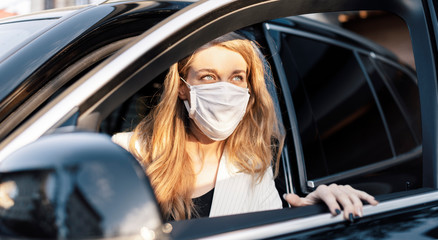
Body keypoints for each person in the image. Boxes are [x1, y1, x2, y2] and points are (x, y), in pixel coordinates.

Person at [112, 32, 378, 222]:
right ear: (183, 88)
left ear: (249, 90)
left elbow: (273, 225)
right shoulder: (127, 153)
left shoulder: (255, 172)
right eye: (208, 77)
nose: (225, 90)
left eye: (237, 77)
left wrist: (308, 213)